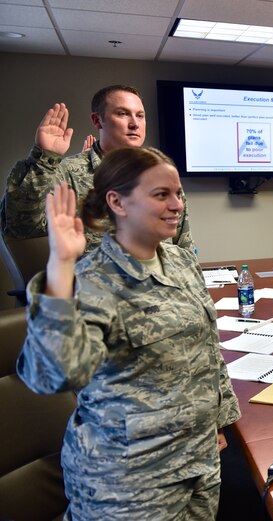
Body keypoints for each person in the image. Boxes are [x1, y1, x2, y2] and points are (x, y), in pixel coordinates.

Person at [16, 147, 240, 519]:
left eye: (178, 193)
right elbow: (52, 376)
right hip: (130, 483)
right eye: (161, 195)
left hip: (197, 462)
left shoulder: (181, 261)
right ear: (117, 202)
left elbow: (207, 349)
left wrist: (218, 420)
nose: (177, 205)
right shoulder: (89, 280)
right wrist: (60, 266)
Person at [0, 84, 195, 254]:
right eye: (122, 113)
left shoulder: (162, 174)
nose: (134, 124)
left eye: (140, 115)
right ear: (97, 120)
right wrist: (43, 159)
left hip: (163, 283)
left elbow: (183, 246)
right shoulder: (68, 173)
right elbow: (20, 228)